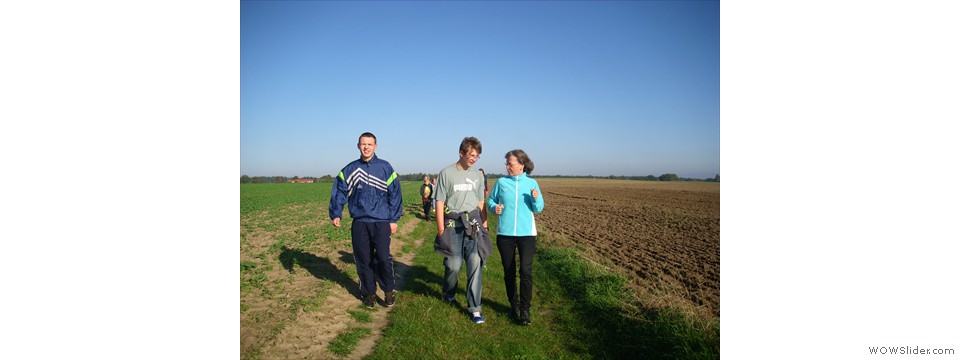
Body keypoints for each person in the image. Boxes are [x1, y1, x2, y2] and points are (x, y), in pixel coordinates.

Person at [329, 132, 403, 308]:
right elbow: (339, 191)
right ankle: (369, 293)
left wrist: (393, 219)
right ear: (358, 146)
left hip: (382, 222)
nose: (366, 147)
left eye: (370, 144)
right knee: (364, 259)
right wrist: (336, 212)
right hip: (360, 223)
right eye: (363, 144)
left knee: (383, 258)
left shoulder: (385, 167)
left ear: (375, 146)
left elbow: (395, 194)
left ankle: (388, 290)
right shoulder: (349, 169)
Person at [434, 137, 491, 324]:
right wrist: (441, 228)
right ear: (461, 153)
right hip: (453, 226)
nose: (474, 159)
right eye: (472, 155)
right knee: (454, 265)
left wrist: (484, 223)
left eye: (477, 156)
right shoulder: (446, 173)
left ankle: (475, 308)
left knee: (475, 262)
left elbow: (481, 201)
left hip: (473, 224)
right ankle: (449, 293)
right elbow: (440, 201)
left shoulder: (478, 176)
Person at [487, 149, 544, 325]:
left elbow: (538, 208)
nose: (507, 167)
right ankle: (514, 304)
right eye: (506, 163)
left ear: (521, 165)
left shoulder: (532, 183)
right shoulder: (501, 182)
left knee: (526, 271)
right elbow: (490, 201)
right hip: (505, 234)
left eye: (510, 164)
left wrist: (535, 199)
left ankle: (525, 310)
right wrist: (494, 207)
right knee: (509, 271)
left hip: (527, 234)